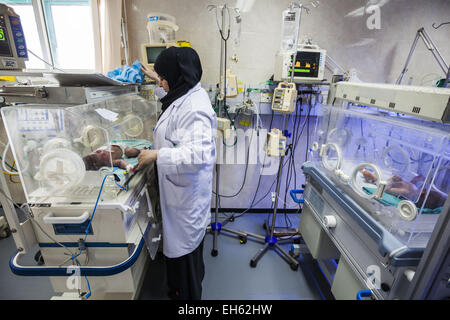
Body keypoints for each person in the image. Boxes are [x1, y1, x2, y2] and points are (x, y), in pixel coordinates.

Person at [137, 47, 216, 300]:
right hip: (179, 193)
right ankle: (179, 291)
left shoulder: (195, 109)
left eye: (163, 78)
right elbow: (169, 97)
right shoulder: (186, 91)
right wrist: (156, 78)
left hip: (186, 202)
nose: (161, 83)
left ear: (175, 77)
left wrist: (157, 154)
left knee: (187, 266)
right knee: (182, 262)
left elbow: (198, 154)